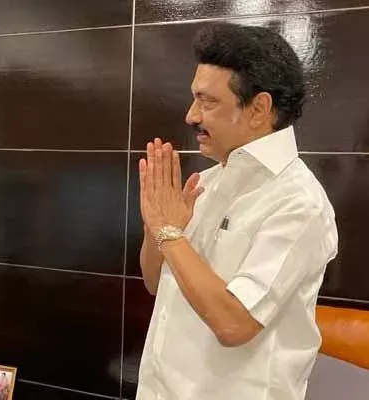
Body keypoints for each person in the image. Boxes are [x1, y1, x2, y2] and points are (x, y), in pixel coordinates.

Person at [136, 23, 338, 400]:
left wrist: (170, 233)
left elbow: (234, 324)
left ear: (258, 108)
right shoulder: (206, 183)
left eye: (207, 101)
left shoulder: (299, 203)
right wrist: (156, 225)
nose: (191, 116)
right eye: (194, 99)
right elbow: (154, 282)